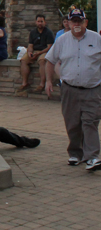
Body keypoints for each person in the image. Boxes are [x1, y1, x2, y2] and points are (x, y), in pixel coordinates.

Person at [45, 9, 101, 171]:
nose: (76, 24)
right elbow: (50, 61)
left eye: (79, 21)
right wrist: (49, 81)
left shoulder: (96, 39)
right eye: (73, 21)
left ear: (85, 22)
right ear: (68, 23)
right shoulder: (62, 40)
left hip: (92, 89)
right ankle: (76, 153)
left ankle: (92, 157)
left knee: (90, 122)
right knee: (72, 122)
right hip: (70, 88)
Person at [18, 14, 54, 93]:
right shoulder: (33, 32)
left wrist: (38, 53)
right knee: (23, 60)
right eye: (38, 21)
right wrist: (30, 52)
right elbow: (30, 45)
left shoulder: (48, 32)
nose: (40, 23)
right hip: (35, 51)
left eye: (41, 21)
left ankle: (41, 84)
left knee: (42, 61)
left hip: (44, 51)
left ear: (45, 22)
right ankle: (24, 83)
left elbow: (49, 47)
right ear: (36, 22)